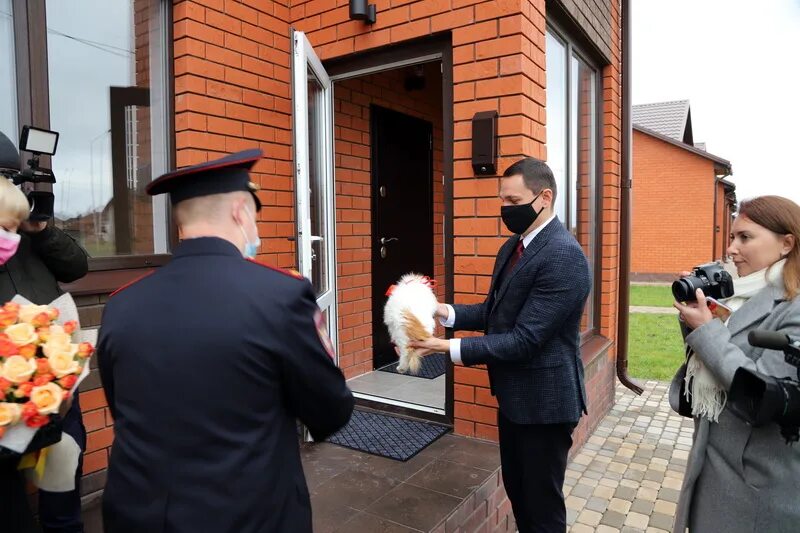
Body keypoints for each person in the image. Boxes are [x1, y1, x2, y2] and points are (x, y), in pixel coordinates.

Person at [97, 149, 354, 533]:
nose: (257, 233)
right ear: (240, 212)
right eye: (256, 218)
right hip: (247, 516)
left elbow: (122, 406)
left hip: (138, 515)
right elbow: (330, 410)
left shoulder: (121, 304)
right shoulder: (280, 295)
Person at [410, 157, 591, 532]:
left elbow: (525, 340)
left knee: (541, 507)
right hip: (514, 397)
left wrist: (446, 348)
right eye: (502, 200)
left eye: (512, 201)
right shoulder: (513, 247)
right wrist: (443, 312)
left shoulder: (564, 256)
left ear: (544, 197)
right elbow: (494, 312)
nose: (505, 210)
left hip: (545, 405)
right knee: (519, 492)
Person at [672, 195, 800, 532]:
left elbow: (764, 393)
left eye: (745, 237)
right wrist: (694, 319)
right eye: (731, 237)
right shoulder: (744, 294)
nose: (732, 248)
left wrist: (708, 330)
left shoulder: (794, 306)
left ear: (786, 243)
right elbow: (708, 357)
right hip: (714, 465)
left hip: (755, 484)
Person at [0, 132, 89, 533]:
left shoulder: (29, 232)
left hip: (56, 382)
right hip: (11, 394)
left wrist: (41, 230)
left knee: (64, 474)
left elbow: (76, 267)